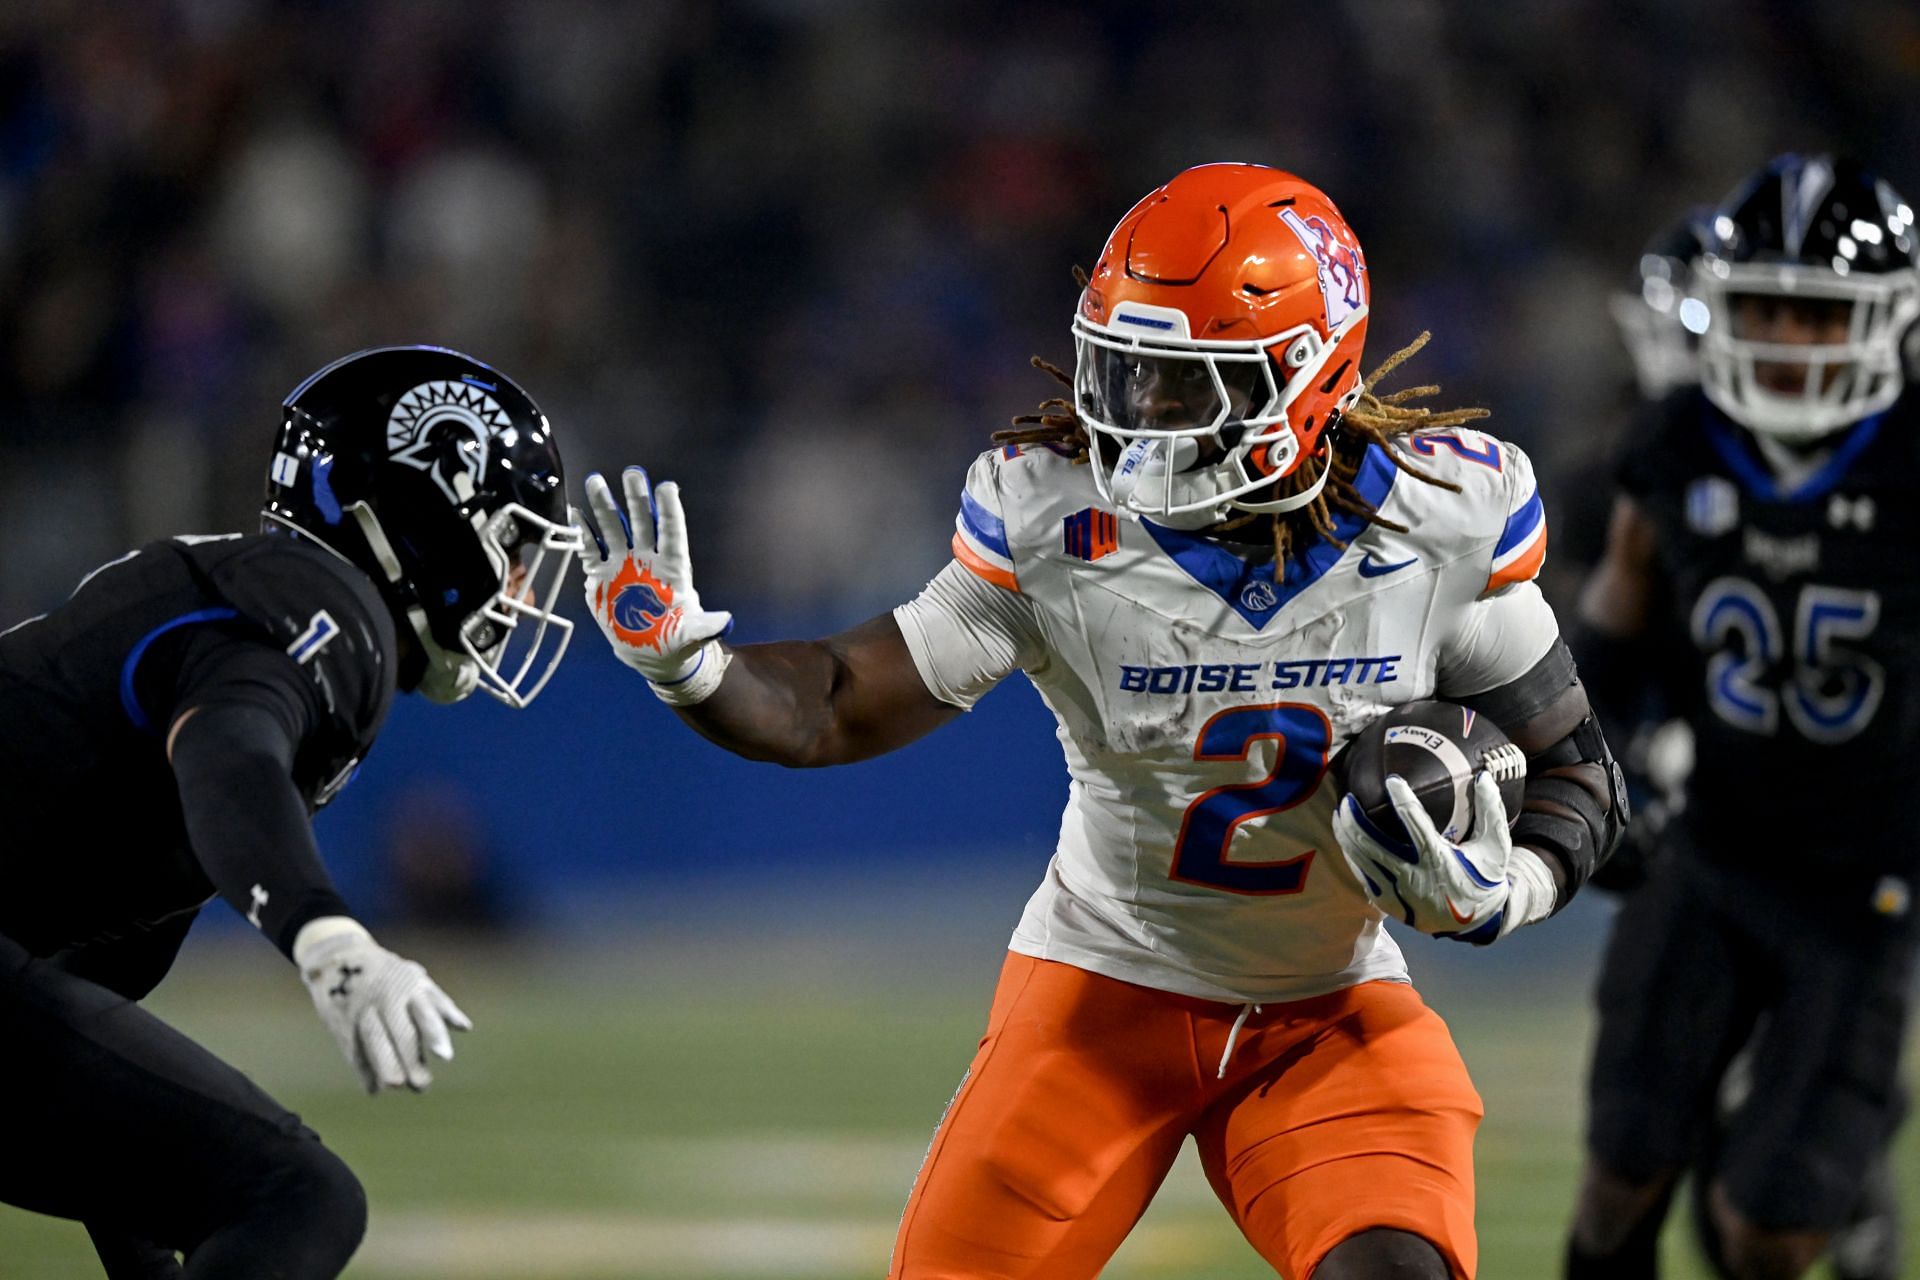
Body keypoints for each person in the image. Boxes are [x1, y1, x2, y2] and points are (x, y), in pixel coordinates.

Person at [578, 162, 1626, 1278]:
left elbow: (1579, 774)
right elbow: (836, 701)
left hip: (1323, 1011)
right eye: (1125, 375)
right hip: (1098, 998)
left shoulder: (1439, 522)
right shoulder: (1055, 521)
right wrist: (695, 666)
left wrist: (1502, 891)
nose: (1139, 418)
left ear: (1307, 374)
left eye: (1186, 386)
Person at [0, 345, 580, 1279]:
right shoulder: (329, 608)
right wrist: (328, 938)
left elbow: (96, 1043)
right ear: (425, 512)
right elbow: (228, 748)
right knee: (301, 1198)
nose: (516, 588)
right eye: (511, 546)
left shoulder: (276, 604)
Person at [1565, 153, 1920, 1280]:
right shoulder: (1675, 440)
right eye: (1762, 305)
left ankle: (1851, 1209)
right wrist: (1599, 762)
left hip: (1862, 887)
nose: (1781, 336)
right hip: (1710, 852)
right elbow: (1616, 627)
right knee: (1623, 1167)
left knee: (1767, 1225)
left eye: (1816, 314)